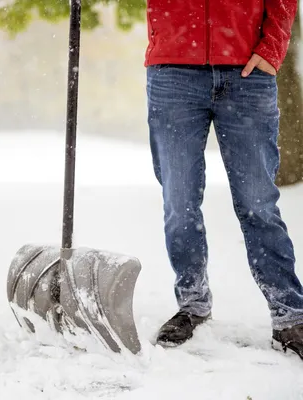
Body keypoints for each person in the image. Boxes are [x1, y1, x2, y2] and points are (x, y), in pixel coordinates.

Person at [145, 0, 303, 359]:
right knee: (179, 202)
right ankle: (192, 305)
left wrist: (272, 47)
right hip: (173, 73)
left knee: (257, 204)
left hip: (248, 72)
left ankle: (290, 314)